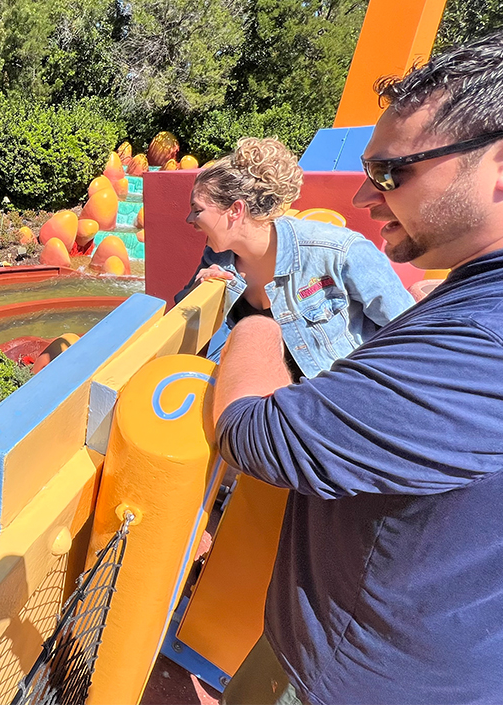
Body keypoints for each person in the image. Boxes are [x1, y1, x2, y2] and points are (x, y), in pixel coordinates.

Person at [213, 32, 503, 704]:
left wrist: (254, 324)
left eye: (392, 172)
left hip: (362, 676)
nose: (370, 197)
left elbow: (260, 432)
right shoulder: (469, 299)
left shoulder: (481, 340)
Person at [178, 137, 414, 379]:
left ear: (236, 210)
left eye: (198, 210)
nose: (190, 220)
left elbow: (411, 333)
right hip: (274, 400)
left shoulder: (338, 250)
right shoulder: (217, 257)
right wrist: (201, 292)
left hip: (342, 395)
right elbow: (180, 322)